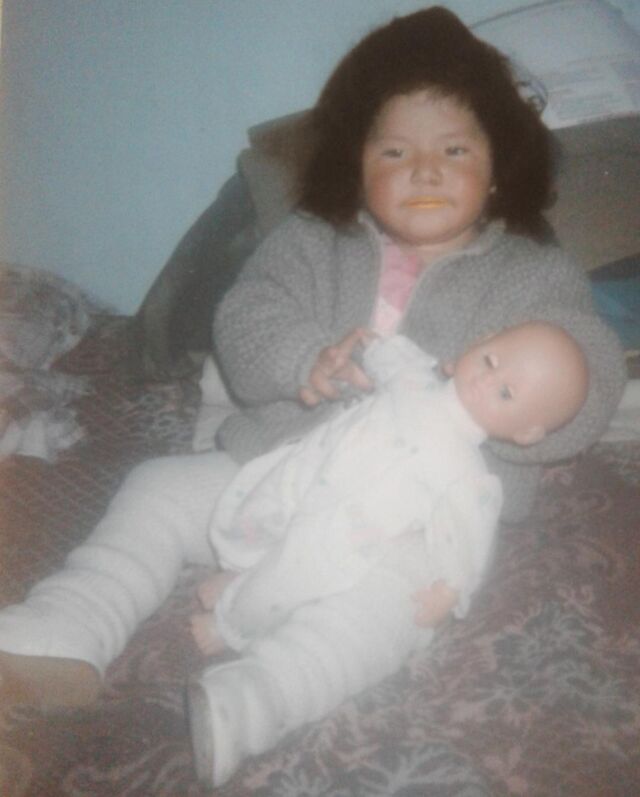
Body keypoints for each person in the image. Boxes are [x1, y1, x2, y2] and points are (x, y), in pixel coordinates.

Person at [0, 1, 625, 781]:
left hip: (413, 514)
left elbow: (590, 372)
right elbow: (245, 315)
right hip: (280, 463)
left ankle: (257, 697)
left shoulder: (532, 273)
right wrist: (304, 360)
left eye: (455, 149)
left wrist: (529, 399)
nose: (424, 170)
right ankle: (71, 622)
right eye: (394, 150)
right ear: (357, 164)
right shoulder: (312, 238)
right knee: (156, 487)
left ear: (498, 167)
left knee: (394, 605)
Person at [185, 322, 589, 786]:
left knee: (292, 574)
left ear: (527, 432)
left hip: (344, 529)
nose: (486, 379)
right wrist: (364, 344)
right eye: (490, 361)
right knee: (261, 506)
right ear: (474, 345)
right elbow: (386, 354)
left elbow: (469, 537)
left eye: (505, 393)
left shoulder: (468, 476)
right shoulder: (415, 379)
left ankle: (232, 625)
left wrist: (452, 588)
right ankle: (238, 569)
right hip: (309, 469)